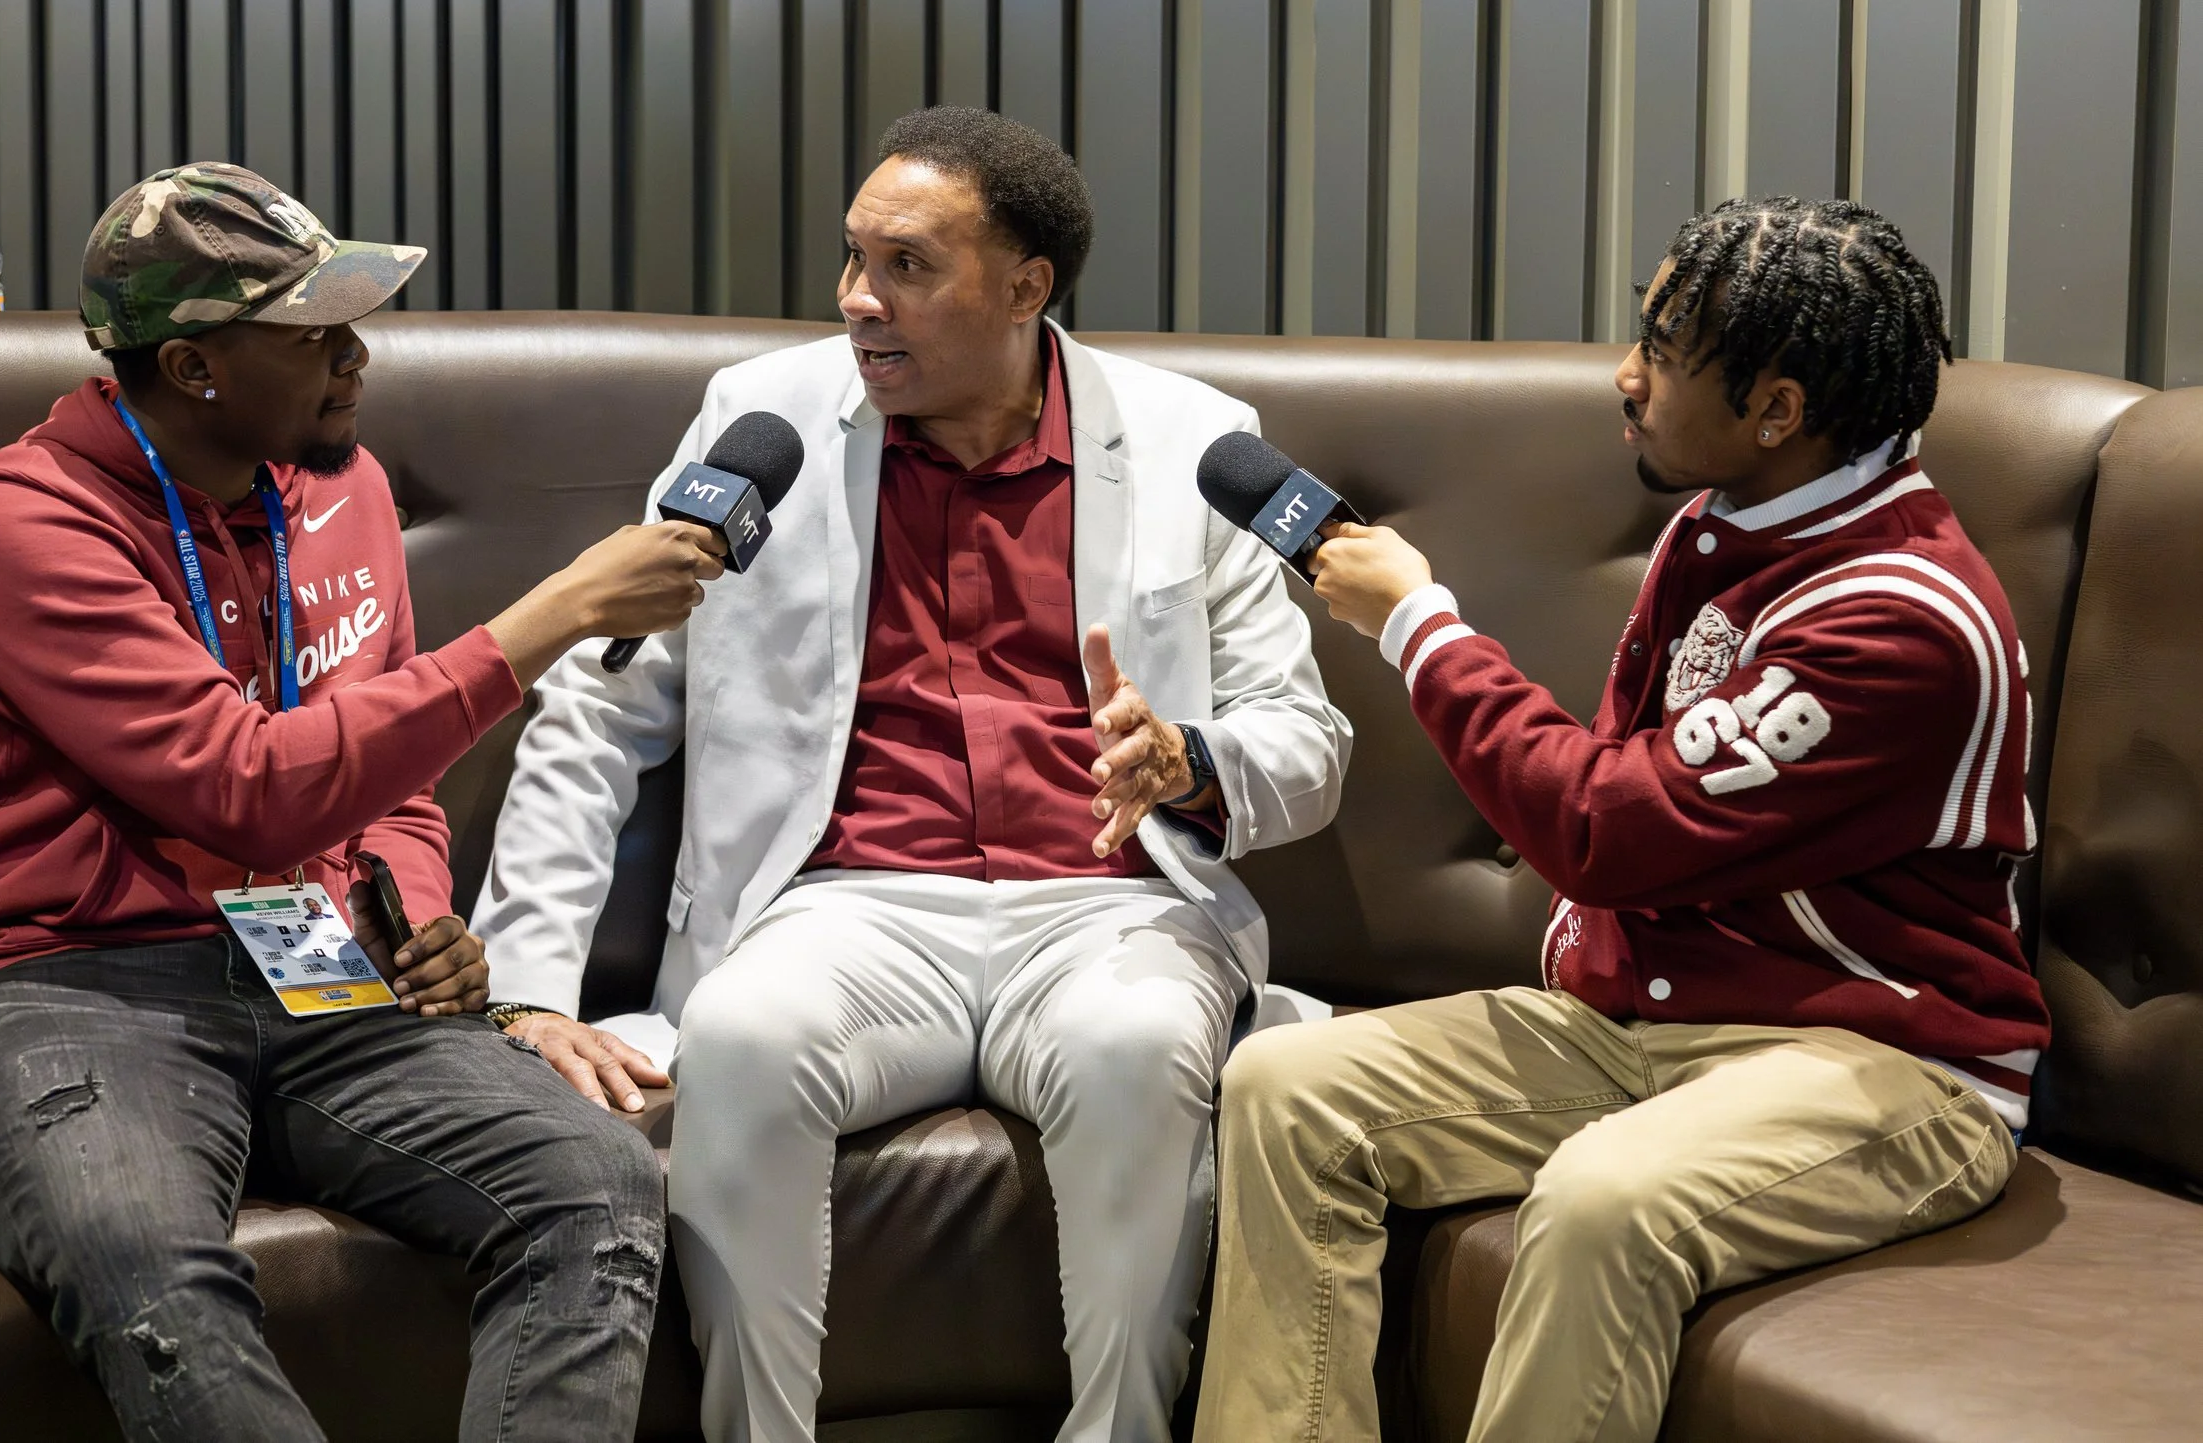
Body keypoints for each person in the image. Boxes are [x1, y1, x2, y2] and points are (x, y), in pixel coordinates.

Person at [473, 107, 1352, 1443]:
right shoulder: (760, 421)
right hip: (846, 902)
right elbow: (599, 703)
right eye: (850, 259)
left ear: (1025, 286)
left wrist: (1191, 762)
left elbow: (1307, 739)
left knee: (1136, 1045)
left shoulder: (1189, 441)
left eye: (905, 266)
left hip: (1109, 899)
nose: (856, 301)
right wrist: (526, 988)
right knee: (749, 1036)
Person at [0, 163, 727, 1443]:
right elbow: (248, 789)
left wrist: (408, 906)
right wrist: (557, 612)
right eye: (309, 331)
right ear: (194, 366)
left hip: (308, 959)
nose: (354, 356)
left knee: (597, 1181)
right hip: (53, 976)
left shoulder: (342, 490)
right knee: (150, 1269)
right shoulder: (21, 524)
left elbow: (383, 768)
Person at [1193, 197, 2051, 1443]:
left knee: (1605, 1198)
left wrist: (1414, 623)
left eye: (1662, 347)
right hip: (1654, 1017)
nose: (1625, 374)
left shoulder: (1899, 617)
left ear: (1777, 408)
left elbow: (1608, 827)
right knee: (1283, 1084)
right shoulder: (1726, 526)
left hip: (1893, 1065)